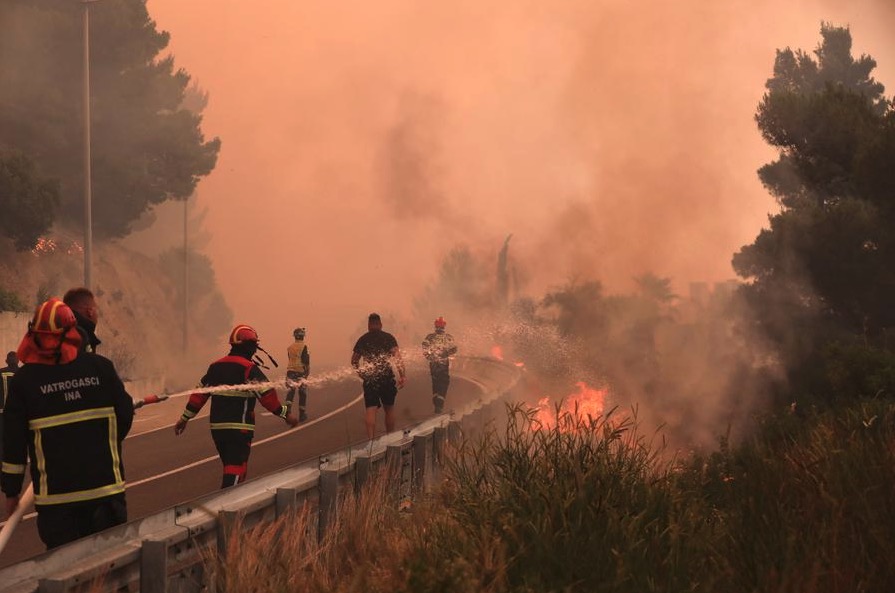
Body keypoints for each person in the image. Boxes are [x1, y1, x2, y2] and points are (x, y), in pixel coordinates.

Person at [1, 298, 134, 549]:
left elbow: (12, 443)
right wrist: (104, 446)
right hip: (105, 494)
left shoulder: (24, 382)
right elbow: (125, 416)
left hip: (57, 503)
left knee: (64, 577)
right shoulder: (101, 369)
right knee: (113, 572)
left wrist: (11, 492)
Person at [174, 324, 298, 488]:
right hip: (239, 430)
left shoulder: (215, 367)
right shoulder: (249, 369)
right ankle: (225, 506)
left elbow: (198, 396)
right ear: (249, 347)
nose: (255, 350)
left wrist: (184, 419)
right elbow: (267, 396)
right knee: (236, 470)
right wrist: (285, 414)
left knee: (232, 468)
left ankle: (231, 506)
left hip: (218, 430)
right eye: (254, 346)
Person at [351, 313, 406, 440]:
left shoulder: (363, 339)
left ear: (369, 325)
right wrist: (402, 375)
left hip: (370, 378)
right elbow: (398, 358)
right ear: (380, 324)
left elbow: (354, 360)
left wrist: (362, 374)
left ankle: (371, 441)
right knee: (389, 409)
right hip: (386, 377)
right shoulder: (389, 338)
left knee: (371, 409)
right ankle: (390, 438)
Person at [422, 317, 458, 413]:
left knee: (435, 380)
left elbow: (424, 346)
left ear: (435, 326)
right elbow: (454, 349)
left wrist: (429, 356)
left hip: (433, 363)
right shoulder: (448, 337)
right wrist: (446, 353)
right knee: (444, 381)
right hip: (443, 363)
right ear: (444, 326)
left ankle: (436, 400)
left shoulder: (430, 337)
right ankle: (439, 403)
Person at [63, 287, 101, 353]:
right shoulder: (85, 338)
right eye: (96, 309)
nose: (97, 314)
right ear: (90, 312)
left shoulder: (60, 331)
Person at [285, 327, 310, 422]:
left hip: (290, 371)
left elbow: (290, 359)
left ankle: (287, 411)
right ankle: (302, 414)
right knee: (302, 393)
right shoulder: (304, 346)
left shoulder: (290, 347)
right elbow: (306, 361)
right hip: (300, 372)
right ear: (303, 336)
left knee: (291, 392)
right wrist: (307, 372)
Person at [0, 351, 20, 459]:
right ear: (18, 360)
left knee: (2, 439)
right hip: (18, 414)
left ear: (6, 361)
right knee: (17, 439)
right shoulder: (23, 373)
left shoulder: (0, 373)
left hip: (2, 413)